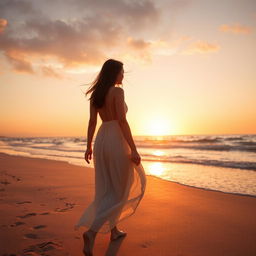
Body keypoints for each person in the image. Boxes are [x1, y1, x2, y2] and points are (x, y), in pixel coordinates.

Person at [74, 59, 147, 256]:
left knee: (107, 187)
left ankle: (114, 231)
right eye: (122, 72)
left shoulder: (96, 94)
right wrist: (134, 148)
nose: (123, 76)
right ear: (114, 73)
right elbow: (122, 121)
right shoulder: (117, 92)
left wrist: (88, 146)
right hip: (116, 139)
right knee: (121, 187)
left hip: (101, 140)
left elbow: (91, 122)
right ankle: (91, 232)